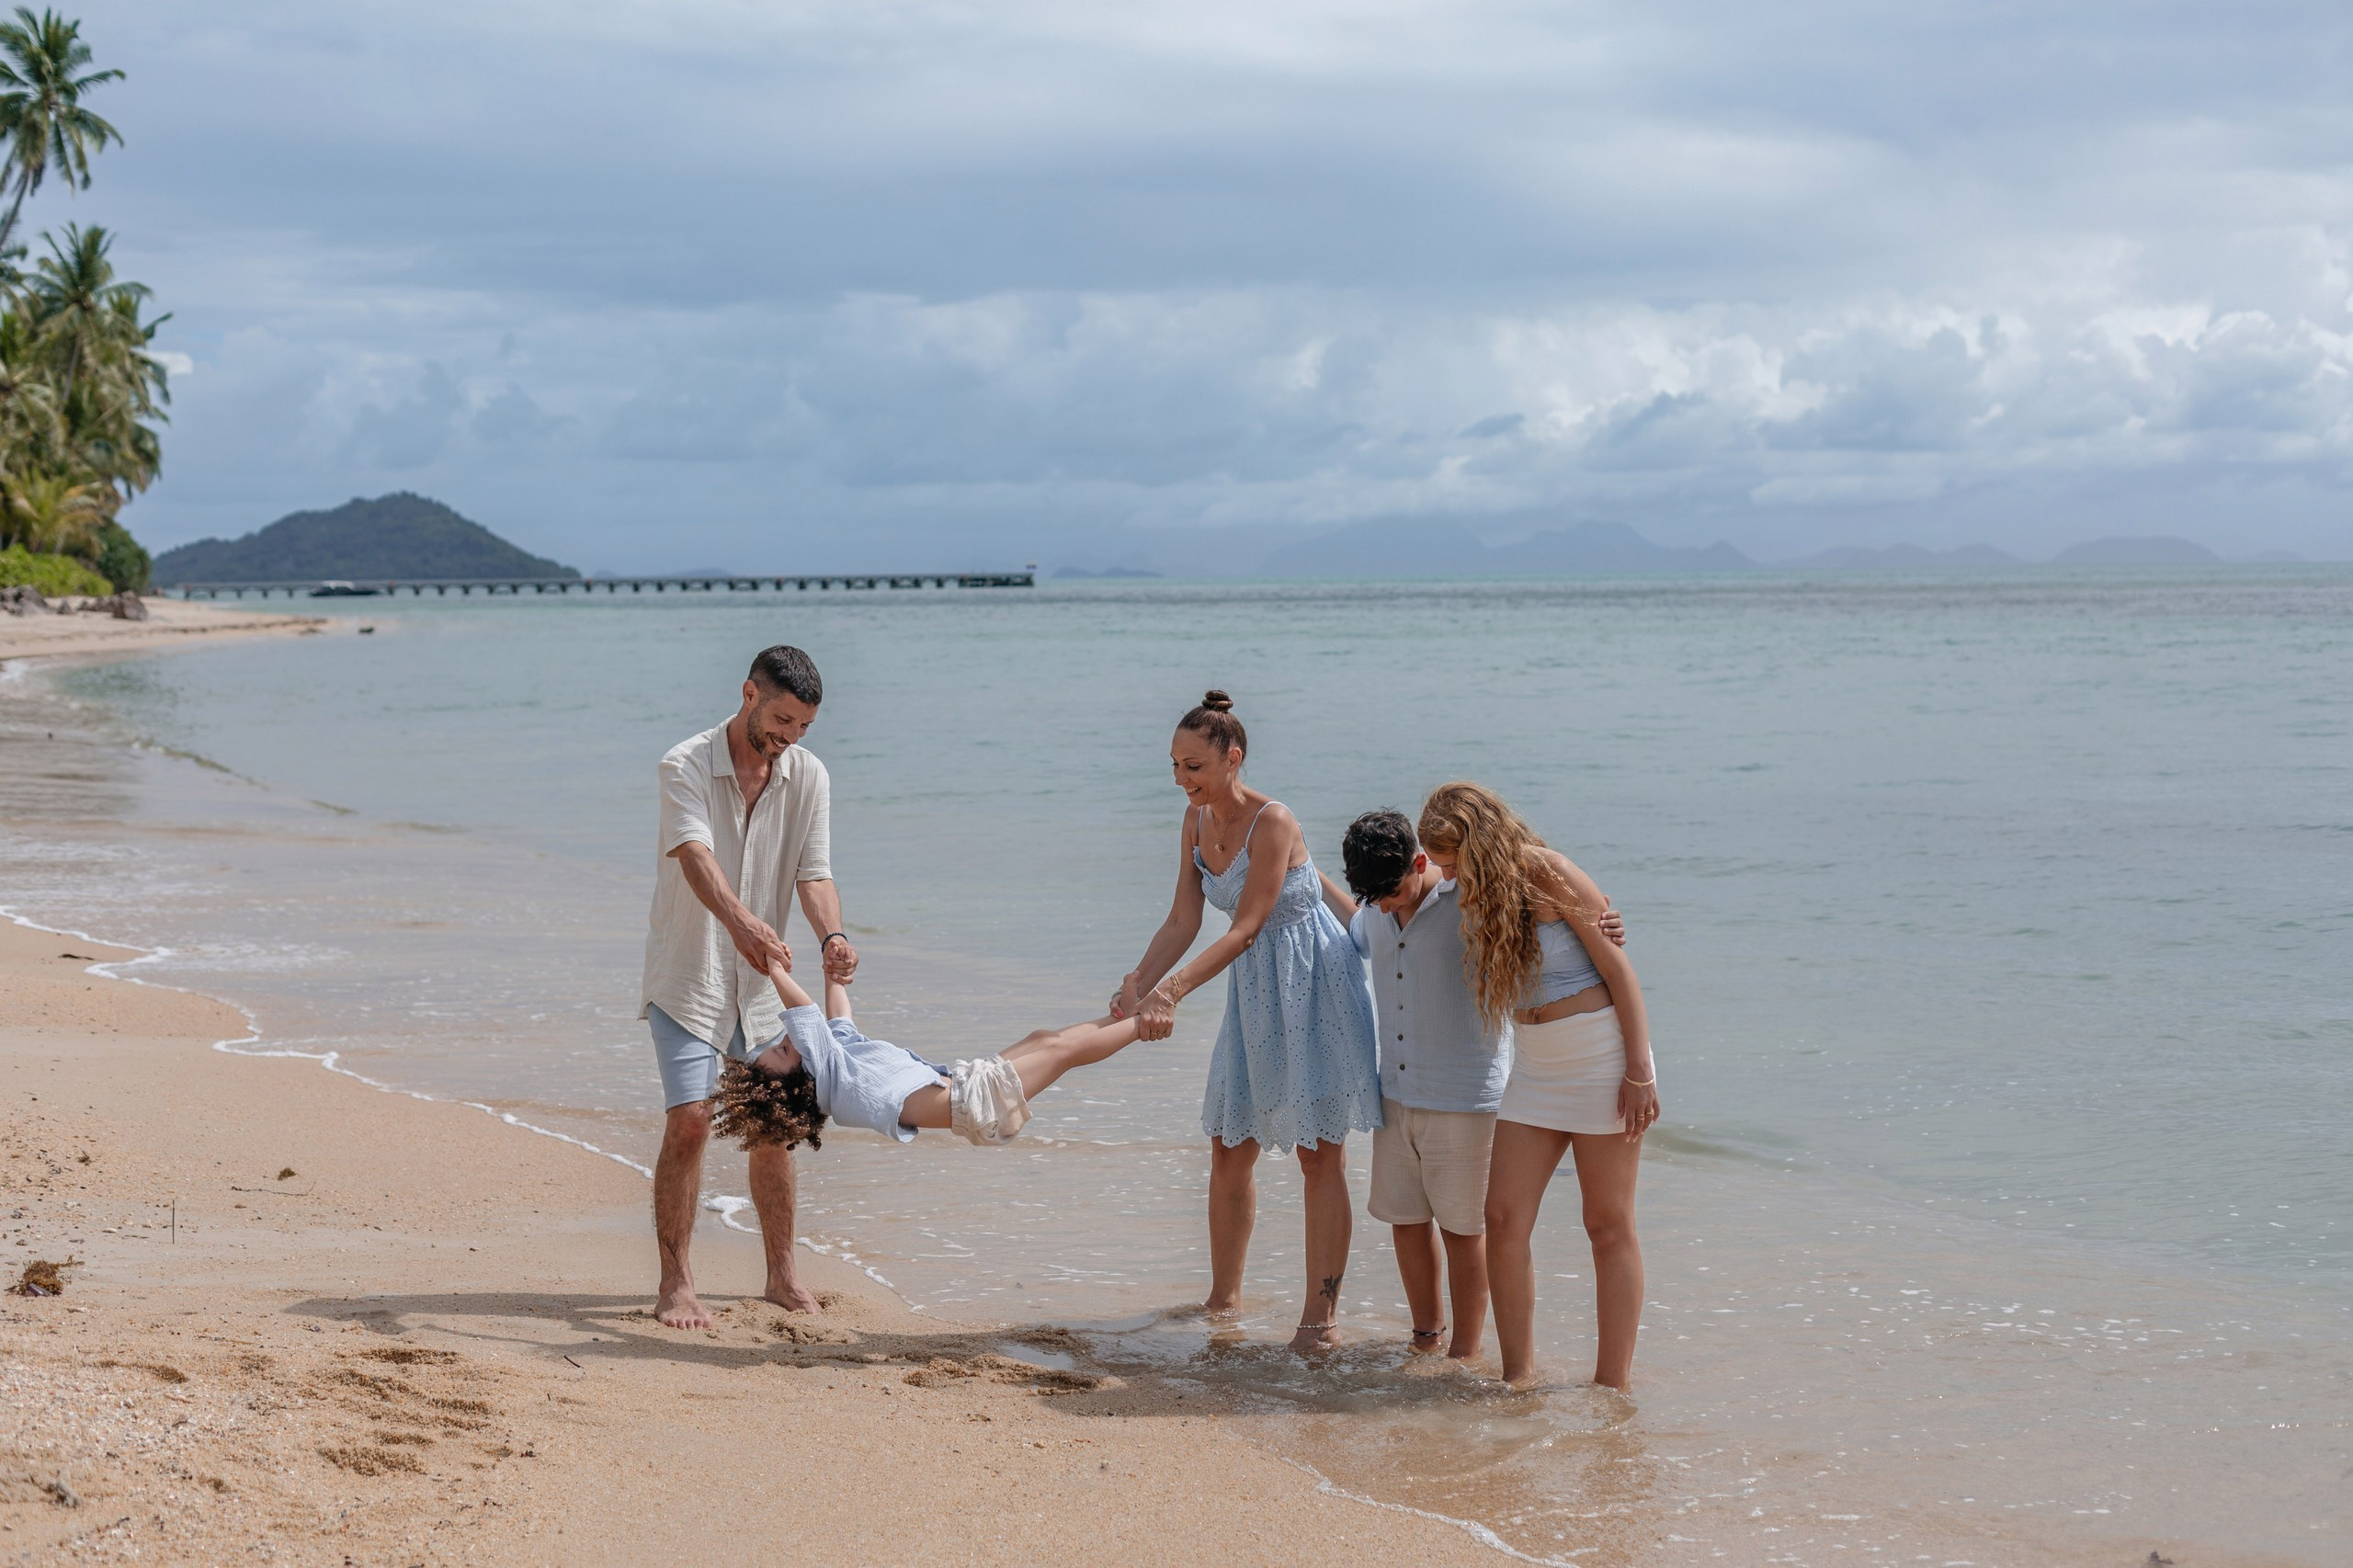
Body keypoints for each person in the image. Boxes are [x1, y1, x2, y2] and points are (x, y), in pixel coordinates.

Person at [1116, 691, 1381, 1353]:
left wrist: (1172, 992)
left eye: (1195, 766)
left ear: (1232, 758)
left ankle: (1320, 1320)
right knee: (1229, 1146)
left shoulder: (1274, 821)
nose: (1182, 780)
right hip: (1256, 990)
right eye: (1175, 765)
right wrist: (1138, 981)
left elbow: (1247, 926)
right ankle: (1223, 1301)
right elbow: (1184, 920)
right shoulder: (1194, 820)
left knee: (1319, 1154)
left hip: (1315, 981)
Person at [1321, 811, 1626, 1363]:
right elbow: (1355, 924)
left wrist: (1604, 920)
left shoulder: (1470, 900)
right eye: (1373, 899)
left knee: (1465, 1231)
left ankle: (1464, 1353)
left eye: (1391, 894)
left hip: (1466, 1098)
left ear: (1421, 862)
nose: (1383, 906)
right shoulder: (1376, 908)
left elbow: (1549, 917)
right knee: (1405, 1222)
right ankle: (1426, 1339)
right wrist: (1306, 871)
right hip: (1396, 1093)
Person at [639, 644, 859, 1330]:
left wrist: (831, 936)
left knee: (776, 1127)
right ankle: (676, 1281)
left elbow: (814, 873)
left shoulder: (808, 775)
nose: (790, 736)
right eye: (783, 720)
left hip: (763, 983)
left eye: (804, 726)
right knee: (690, 1120)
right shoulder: (684, 765)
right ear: (748, 694)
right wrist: (743, 926)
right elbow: (695, 858)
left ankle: (781, 1275)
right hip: (691, 972)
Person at [1415, 782, 1657, 1390]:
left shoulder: (1548, 872)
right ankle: (1517, 1379)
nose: (1447, 877)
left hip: (1600, 1059)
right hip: (1534, 1067)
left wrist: (1640, 1072)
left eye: (1453, 863)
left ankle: (1612, 1388)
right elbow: (1400, 899)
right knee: (1502, 1217)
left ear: (1479, 847)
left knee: (1606, 1224)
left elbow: (1620, 972)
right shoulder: (1473, 890)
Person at [711, 961, 1142, 1150]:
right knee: (1060, 1051)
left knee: (1044, 1039)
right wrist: (773, 967)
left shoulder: (836, 1066)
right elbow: (805, 1016)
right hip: (975, 1103)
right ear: (800, 1079)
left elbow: (839, 1021)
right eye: (785, 1051)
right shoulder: (831, 1082)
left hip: (967, 1086)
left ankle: (1119, 1018)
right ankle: (1144, 1023)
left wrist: (833, 973)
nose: (787, 1040)